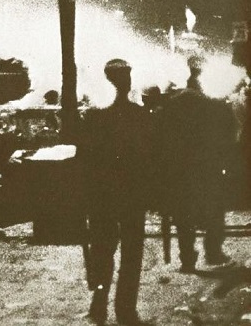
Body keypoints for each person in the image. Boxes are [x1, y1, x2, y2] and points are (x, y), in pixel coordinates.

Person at [78, 59, 152, 325]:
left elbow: (84, 157)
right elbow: (149, 156)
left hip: (102, 194)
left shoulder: (94, 117)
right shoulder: (140, 116)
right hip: (131, 193)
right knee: (131, 254)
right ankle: (125, 309)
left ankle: (99, 304)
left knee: (102, 251)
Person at [156, 55, 236, 272]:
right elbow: (227, 135)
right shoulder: (214, 103)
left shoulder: (173, 102)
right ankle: (213, 251)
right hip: (207, 166)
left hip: (180, 167)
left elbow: (161, 137)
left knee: (183, 213)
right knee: (214, 207)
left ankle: (187, 258)